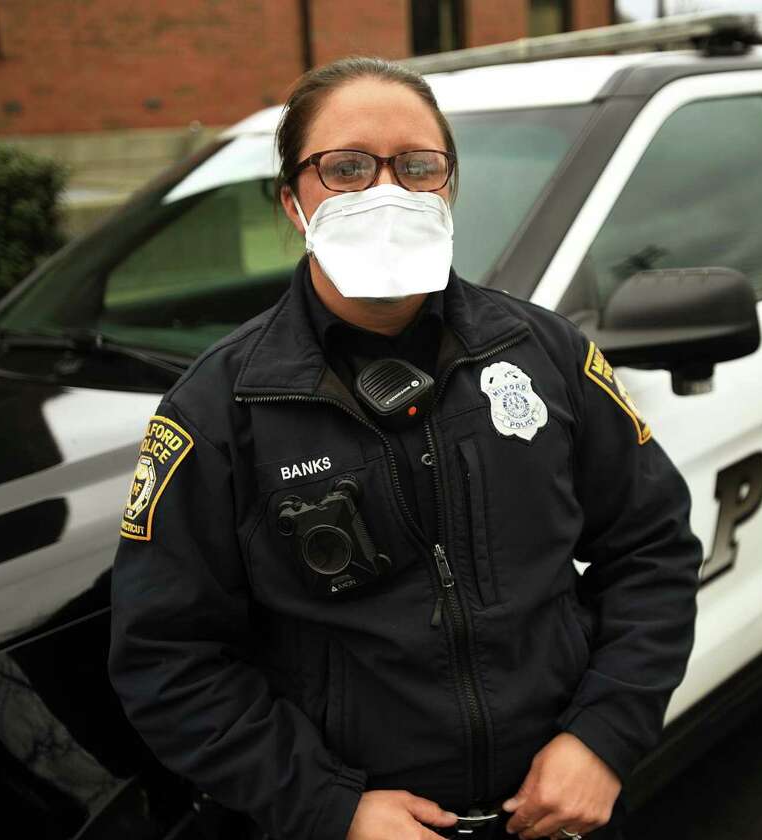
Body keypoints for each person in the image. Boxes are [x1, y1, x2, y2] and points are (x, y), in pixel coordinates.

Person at [107, 56, 702, 840]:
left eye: (419, 166)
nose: (386, 190)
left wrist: (605, 736)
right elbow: (168, 659)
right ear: (293, 200)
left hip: (558, 819)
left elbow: (652, 549)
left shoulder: (544, 353)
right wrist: (328, 806)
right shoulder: (220, 410)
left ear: (449, 188)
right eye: (346, 167)